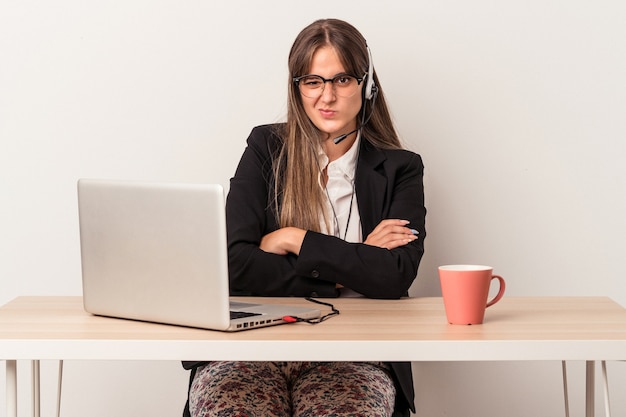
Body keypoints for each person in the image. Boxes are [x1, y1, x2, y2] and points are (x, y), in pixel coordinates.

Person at [183, 18, 426, 417]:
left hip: (354, 353)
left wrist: (294, 239)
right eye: (312, 81)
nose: (326, 97)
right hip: (250, 349)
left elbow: (395, 274)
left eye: (342, 80)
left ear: (367, 87)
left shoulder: (401, 168)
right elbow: (231, 262)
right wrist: (352, 264)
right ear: (297, 88)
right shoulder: (266, 147)